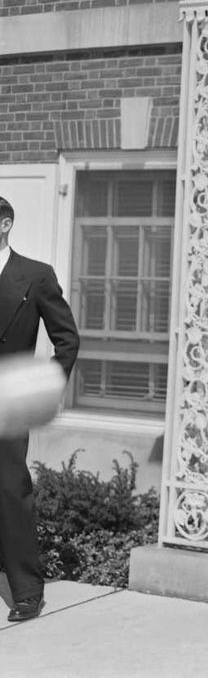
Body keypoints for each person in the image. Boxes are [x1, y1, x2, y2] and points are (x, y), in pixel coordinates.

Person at [0, 196, 79, 622]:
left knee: (11, 491)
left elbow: (67, 339)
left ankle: (27, 591)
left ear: (5, 224)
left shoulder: (35, 275)